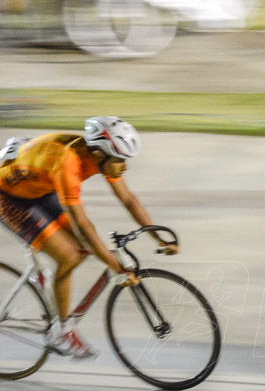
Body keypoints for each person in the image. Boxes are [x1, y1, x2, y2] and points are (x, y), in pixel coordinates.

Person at [0, 116, 177, 358]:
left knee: (83, 250)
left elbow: (128, 200)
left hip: (38, 186)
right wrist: (114, 264)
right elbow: (82, 224)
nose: (124, 167)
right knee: (69, 256)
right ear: (98, 155)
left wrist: (158, 237)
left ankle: (52, 293)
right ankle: (60, 331)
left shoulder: (100, 155)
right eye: (120, 161)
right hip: (7, 195)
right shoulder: (68, 165)